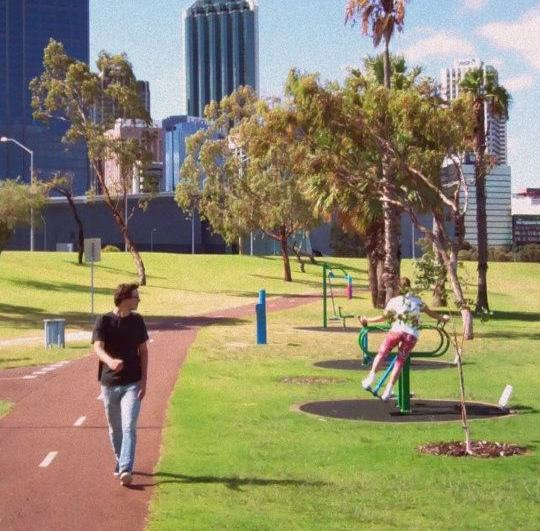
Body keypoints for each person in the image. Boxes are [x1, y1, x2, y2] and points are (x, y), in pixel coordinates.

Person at [92, 283, 149, 487]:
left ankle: (125, 468)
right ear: (124, 299)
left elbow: (143, 351)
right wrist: (110, 362)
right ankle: (120, 460)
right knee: (115, 428)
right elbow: (98, 348)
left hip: (132, 383)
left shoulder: (138, 321)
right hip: (109, 384)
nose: (138, 300)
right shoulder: (104, 320)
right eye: (136, 296)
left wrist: (144, 380)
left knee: (129, 426)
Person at [359, 277, 449, 402]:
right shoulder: (417, 300)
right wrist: (443, 318)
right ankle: (388, 391)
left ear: (398, 289)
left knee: (382, 353)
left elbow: (384, 317)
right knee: (400, 361)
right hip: (411, 335)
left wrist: (367, 319)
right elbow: (431, 313)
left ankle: (370, 379)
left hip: (396, 331)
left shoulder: (394, 301)